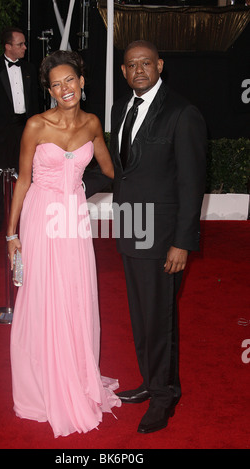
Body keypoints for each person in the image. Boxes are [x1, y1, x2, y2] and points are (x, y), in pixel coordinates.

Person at [86, 40, 207, 434]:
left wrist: (183, 242)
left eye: (145, 63)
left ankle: (165, 395)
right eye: (131, 65)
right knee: (141, 314)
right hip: (130, 225)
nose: (138, 69)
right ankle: (150, 381)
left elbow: (192, 183)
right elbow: (122, 171)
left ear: (159, 66)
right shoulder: (121, 108)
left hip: (163, 237)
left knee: (160, 317)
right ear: (123, 72)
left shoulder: (182, 112)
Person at [6, 50, 121, 438]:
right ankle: (43, 384)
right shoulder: (36, 126)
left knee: (75, 293)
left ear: (82, 82)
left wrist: (151, 172)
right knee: (45, 296)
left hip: (73, 216)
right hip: (41, 215)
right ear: (49, 90)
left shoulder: (91, 123)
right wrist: (12, 234)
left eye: (69, 80)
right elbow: (23, 181)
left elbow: (109, 169)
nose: (64, 88)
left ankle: (75, 372)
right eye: (56, 84)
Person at [0, 27, 40, 232]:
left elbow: (37, 102)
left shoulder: (30, 69)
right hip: (1, 131)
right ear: (8, 46)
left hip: (26, 128)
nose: (24, 47)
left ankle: (28, 219)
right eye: (20, 44)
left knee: (27, 175)